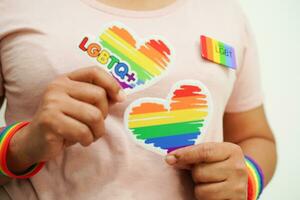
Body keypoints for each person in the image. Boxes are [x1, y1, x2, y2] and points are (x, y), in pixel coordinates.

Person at [0, 0, 277, 199]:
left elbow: (256, 136)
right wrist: (19, 148)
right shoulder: (12, 7)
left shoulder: (225, 13)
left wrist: (247, 178)